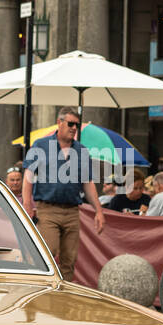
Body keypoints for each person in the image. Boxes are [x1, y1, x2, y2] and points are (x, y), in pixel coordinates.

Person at [22, 106, 105, 281]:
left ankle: (63, 299)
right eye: (71, 123)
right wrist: (27, 204)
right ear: (59, 123)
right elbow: (28, 176)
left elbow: (88, 183)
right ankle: (43, 291)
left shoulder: (81, 151)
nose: (74, 128)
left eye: (77, 124)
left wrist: (99, 211)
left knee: (69, 260)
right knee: (48, 253)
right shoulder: (41, 145)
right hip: (47, 209)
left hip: (72, 211)